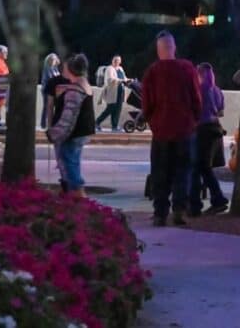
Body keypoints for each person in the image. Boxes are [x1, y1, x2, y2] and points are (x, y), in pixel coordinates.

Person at [142, 31, 201, 227]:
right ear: (174, 47)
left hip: (161, 131)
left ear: (158, 50)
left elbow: (147, 104)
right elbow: (196, 97)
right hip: (184, 129)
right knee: (182, 171)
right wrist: (193, 120)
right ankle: (179, 210)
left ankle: (160, 213)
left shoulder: (152, 72)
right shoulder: (187, 69)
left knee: (160, 172)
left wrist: (153, 122)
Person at [46, 54, 96, 197]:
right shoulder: (84, 84)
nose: (63, 69)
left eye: (66, 67)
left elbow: (68, 118)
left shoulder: (74, 90)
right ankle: (73, 191)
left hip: (75, 132)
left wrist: (54, 133)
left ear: (71, 70)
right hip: (83, 131)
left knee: (69, 161)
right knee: (74, 160)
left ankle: (77, 191)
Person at [189, 63, 229, 217]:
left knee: (196, 167)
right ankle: (215, 199)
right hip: (215, 130)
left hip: (202, 130)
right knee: (204, 167)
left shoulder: (198, 89)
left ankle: (196, 204)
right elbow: (221, 112)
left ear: (199, 75)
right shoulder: (217, 90)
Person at [95, 56, 128, 132]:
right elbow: (110, 79)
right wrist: (121, 80)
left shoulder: (121, 68)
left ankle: (114, 126)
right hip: (112, 91)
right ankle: (97, 122)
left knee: (118, 109)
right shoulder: (109, 68)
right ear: (112, 61)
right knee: (110, 108)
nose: (116, 61)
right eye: (115, 60)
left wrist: (128, 80)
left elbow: (124, 77)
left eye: (118, 60)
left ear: (120, 61)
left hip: (120, 90)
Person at [40, 53, 61, 129]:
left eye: (55, 59)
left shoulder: (55, 68)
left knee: (54, 107)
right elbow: (51, 78)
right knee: (46, 106)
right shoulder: (48, 68)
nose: (54, 61)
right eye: (52, 59)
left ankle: (52, 123)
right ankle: (43, 124)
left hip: (53, 91)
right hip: (46, 90)